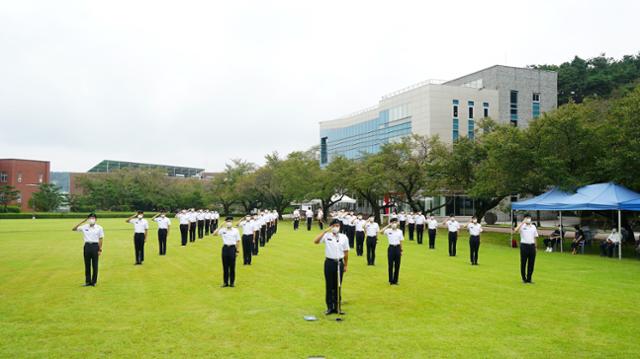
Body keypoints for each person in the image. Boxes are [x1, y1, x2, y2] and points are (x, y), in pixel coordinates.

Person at [313, 219, 349, 315]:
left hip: (339, 263)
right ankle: (329, 307)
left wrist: (345, 265)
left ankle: (337, 307)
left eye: (338, 226)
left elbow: (346, 252)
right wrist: (325, 231)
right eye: (334, 225)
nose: (336, 227)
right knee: (329, 285)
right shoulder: (327, 236)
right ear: (331, 227)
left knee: (338, 285)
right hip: (329, 263)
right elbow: (315, 241)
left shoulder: (343, 237)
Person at [73, 213, 104, 286]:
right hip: (87, 246)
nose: (91, 219)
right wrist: (82, 222)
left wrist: (99, 249)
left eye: (93, 218)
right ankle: (87, 281)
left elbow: (101, 239)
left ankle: (94, 282)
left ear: (96, 219)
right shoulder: (84, 227)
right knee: (87, 264)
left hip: (95, 246)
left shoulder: (99, 228)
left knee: (95, 264)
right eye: (90, 218)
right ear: (88, 219)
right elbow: (74, 229)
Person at [213, 217, 241, 287]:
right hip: (225, 248)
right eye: (227, 221)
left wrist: (237, 251)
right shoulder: (223, 230)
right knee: (225, 266)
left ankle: (232, 282)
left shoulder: (235, 230)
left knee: (232, 266)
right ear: (225, 222)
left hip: (232, 248)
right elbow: (214, 234)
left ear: (232, 222)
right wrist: (220, 226)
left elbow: (238, 241)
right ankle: (225, 282)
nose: (229, 223)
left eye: (230, 221)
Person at [515, 215, 538, 283]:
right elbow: (516, 230)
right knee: (523, 262)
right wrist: (522, 222)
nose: (528, 219)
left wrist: (536, 247)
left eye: (529, 218)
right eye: (527, 218)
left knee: (531, 263)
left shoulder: (533, 227)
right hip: (524, 246)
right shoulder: (522, 226)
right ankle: (523, 278)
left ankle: (529, 278)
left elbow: (535, 237)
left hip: (532, 246)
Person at [381, 218, 403, 285]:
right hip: (391, 248)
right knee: (390, 265)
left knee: (397, 265)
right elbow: (380, 232)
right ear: (391, 223)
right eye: (393, 223)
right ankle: (390, 280)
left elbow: (401, 241)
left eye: (395, 222)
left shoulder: (400, 231)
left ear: (397, 223)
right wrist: (388, 225)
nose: (394, 224)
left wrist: (401, 250)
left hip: (397, 248)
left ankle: (395, 280)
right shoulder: (388, 230)